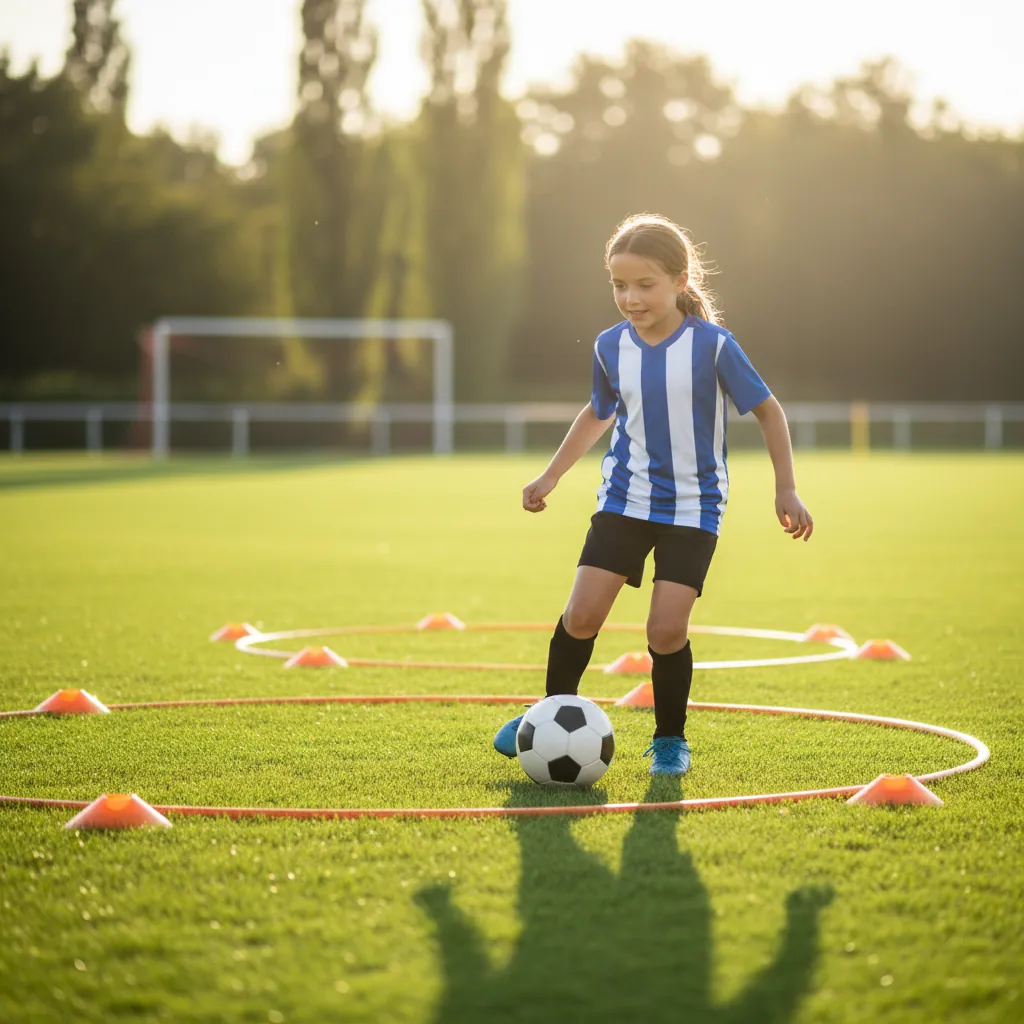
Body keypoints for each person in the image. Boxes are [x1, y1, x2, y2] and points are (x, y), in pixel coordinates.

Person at [493, 213, 813, 775]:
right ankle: (546, 715)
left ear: (680, 281)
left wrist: (785, 488)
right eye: (619, 285)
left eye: (645, 285)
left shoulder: (713, 346)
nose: (630, 298)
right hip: (624, 499)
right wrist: (551, 476)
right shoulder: (609, 345)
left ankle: (669, 740)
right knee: (581, 615)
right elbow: (599, 413)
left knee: (665, 631)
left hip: (693, 508)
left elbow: (769, 411)